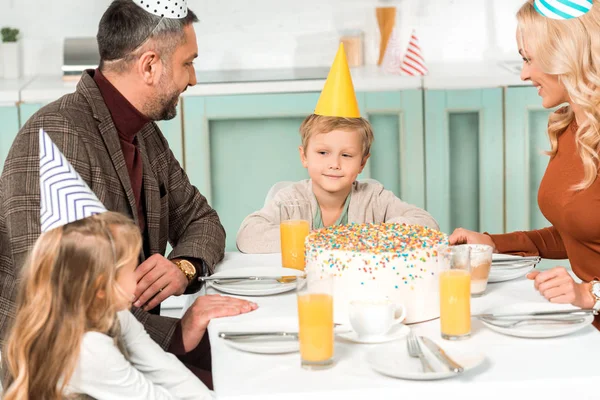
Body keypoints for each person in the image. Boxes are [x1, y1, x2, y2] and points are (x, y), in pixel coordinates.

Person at [0, 0, 256, 385]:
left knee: (244, 355)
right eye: (188, 63)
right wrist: (175, 334)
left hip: (131, 339)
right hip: (60, 369)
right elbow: (61, 298)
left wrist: (183, 267)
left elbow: (202, 220)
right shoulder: (56, 136)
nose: (193, 79)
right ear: (149, 65)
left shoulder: (145, 133)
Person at [449, 0, 600, 328]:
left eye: (529, 59)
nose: (524, 73)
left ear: (566, 53)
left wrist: (590, 294)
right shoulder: (571, 126)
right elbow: (581, 232)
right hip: (588, 325)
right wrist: (494, 243)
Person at [237, 44, 439, 253]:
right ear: (304, 156)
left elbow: (427, 223)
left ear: (362, 162)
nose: (334, 164)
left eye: (347, 155)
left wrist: (371, 236)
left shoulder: (374, 199)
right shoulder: (291, 201)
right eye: (323, 153)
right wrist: (319, 238)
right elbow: (247, 236)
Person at [3, 211, 215, 400]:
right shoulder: (88, 349)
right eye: (131, 269)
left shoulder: (115, 314)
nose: (138, 277)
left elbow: (164, 368)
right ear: (101, 287)